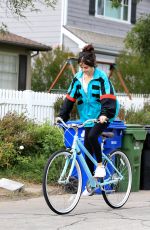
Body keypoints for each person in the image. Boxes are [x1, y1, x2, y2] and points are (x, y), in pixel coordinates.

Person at [59, 44, 120, 195]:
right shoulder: (77, 79)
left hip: (105, 113)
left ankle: (100, 166)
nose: (84, 70)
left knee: (93, 136)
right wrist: (62, 116)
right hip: (87, 117)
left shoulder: (101, 78)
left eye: (86, 67)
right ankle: (91, 184)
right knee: (86, 150)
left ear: (93, 65)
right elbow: (69, 98)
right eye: (81, 67)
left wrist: (104, 113)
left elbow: (108, 97)